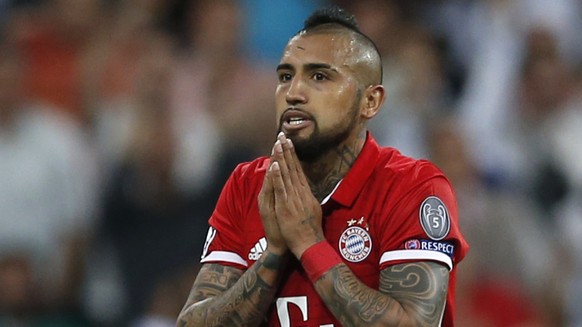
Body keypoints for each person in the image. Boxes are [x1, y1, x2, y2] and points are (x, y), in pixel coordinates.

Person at [177, 6, 469, 327]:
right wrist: (274, 254)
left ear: (370, 102)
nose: (294, 92)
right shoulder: (248, 185)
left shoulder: (411, 186)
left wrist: (308, 243)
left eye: (319, 76)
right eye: (286, 76)